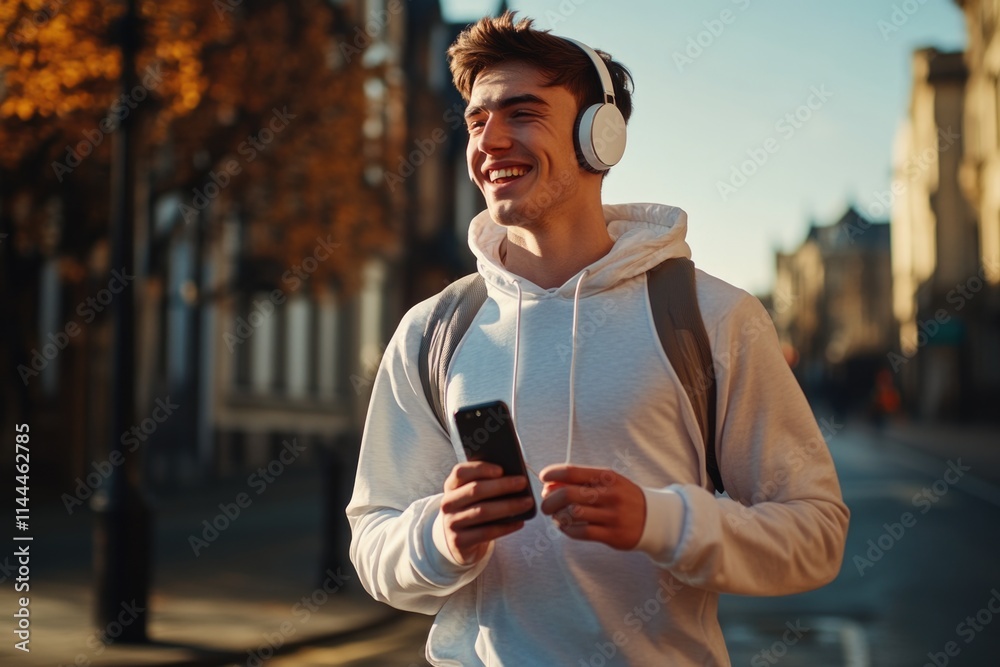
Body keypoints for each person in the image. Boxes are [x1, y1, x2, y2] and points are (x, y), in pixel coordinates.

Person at [347, 12, 849, 665]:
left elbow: (816, 532)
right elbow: (371, 541)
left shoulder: (710, 317)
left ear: (600, 137)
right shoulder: (433, 330)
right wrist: (440, 534)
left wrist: (661, 521)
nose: (489, 140)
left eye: (521, 113)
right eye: (476, 120)